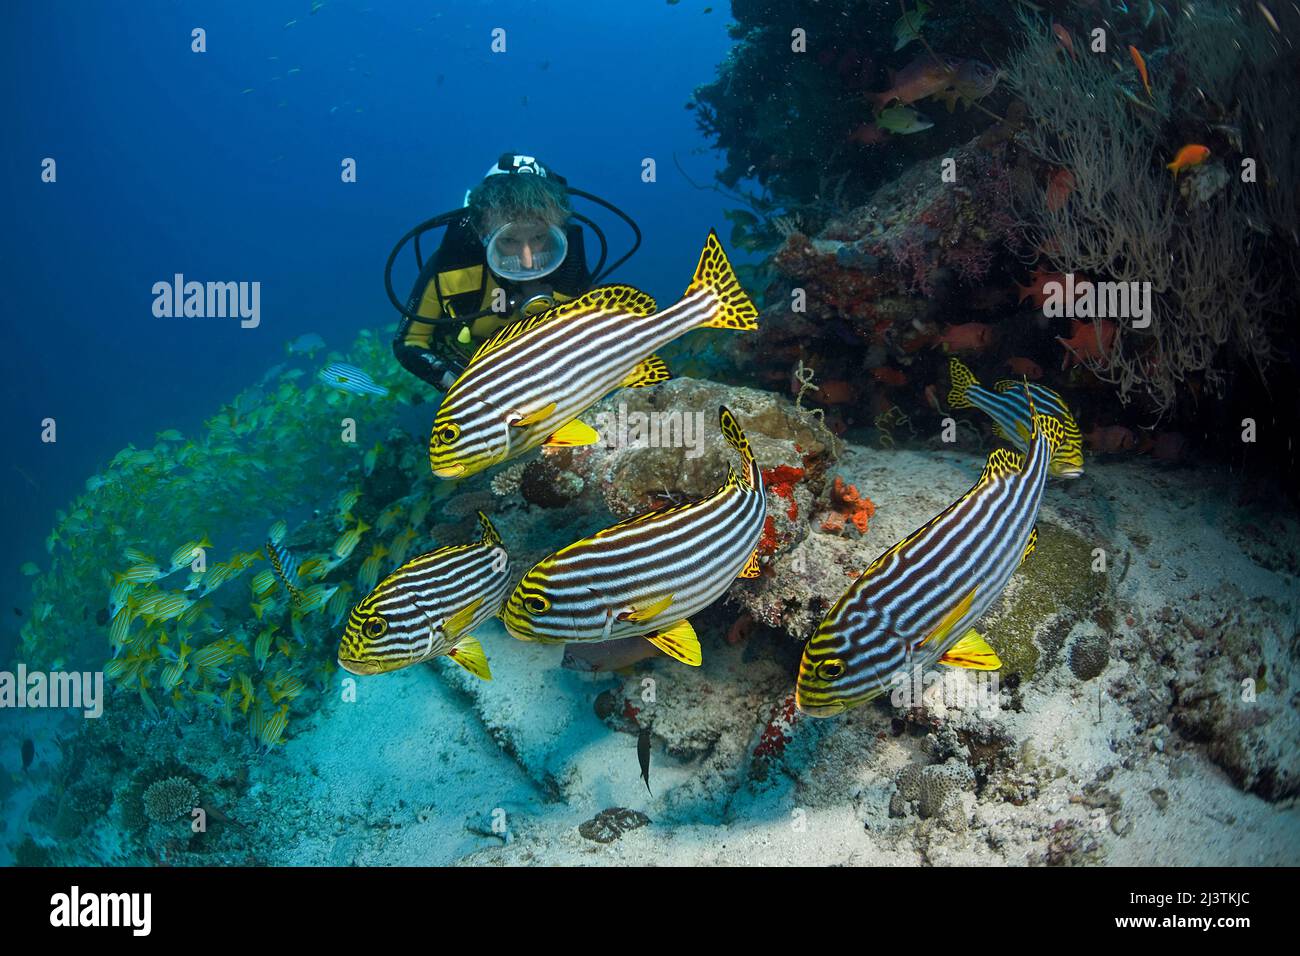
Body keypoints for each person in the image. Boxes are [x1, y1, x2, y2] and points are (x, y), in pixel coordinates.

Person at [392, 154, 592, 391]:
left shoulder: (570, 270)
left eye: (539, 237)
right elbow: (409, 343)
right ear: (482, 232)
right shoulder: (453, 269)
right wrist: (467, 389)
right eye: (508, 240)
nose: (527, 261)